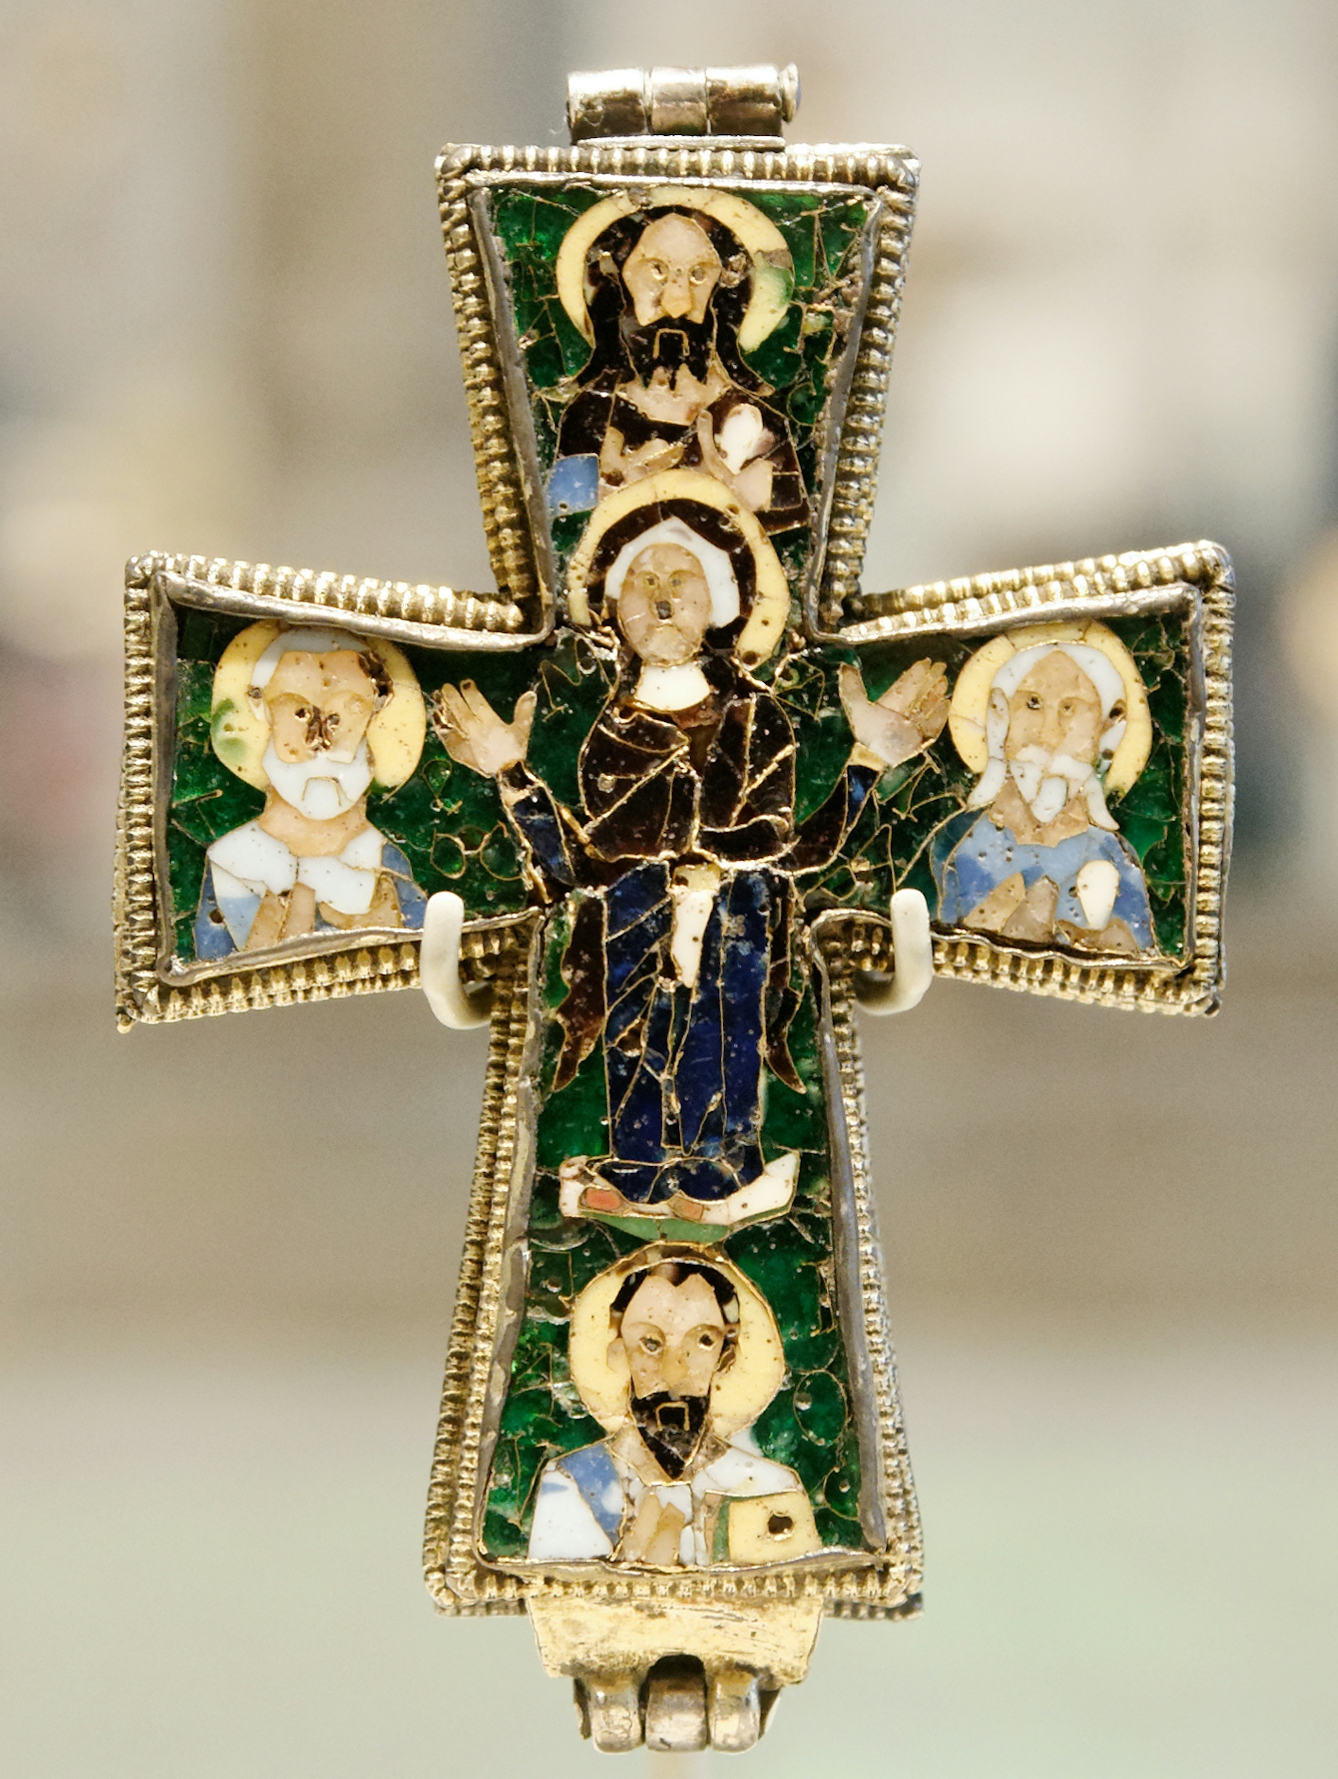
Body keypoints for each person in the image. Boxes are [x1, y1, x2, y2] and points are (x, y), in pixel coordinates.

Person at [433, 494, 947, 1229]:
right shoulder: (609, 731)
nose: (665, 598)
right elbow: (585, 865)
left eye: (684, 581)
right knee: (637, 1040)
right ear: (613, 609)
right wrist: (511, 772)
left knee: (720, 1033)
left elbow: (793, 849)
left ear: (724, 604)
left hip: (739, 927)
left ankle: (722, 1168)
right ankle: (634, 1169)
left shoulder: (757, 717)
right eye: (644, 582)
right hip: (632, 931)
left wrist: (867, 762)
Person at [526, 1255, 821, 1568]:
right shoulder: (574, 1484)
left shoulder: (770, 1488)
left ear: (727, 1357)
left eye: (704, 1340)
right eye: (650, 1343)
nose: (675, 1371)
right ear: (617, 1352)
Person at [547, 204, 809, 535]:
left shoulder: (754, 422)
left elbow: (797, 516)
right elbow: (560, 520)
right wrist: (611, 485)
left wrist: (741, 491)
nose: (677, 302)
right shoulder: (590, 416)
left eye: (699, 275)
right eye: (656, 270)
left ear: (722, 295)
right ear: (619, 287)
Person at [194, 625, 427, 958]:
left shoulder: (385, 861)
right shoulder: (232, 864)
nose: (320, 741)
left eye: (347, 710)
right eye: (297, 711)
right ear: (264, 711)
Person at [931, 635, 1155, 954]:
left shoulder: (1113, 860)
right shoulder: (956, 849)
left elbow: (1138, 957)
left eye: (1071, 708)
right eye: (1032, 703)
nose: (1049, 732)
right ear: (999, 718)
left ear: (1105, 731)